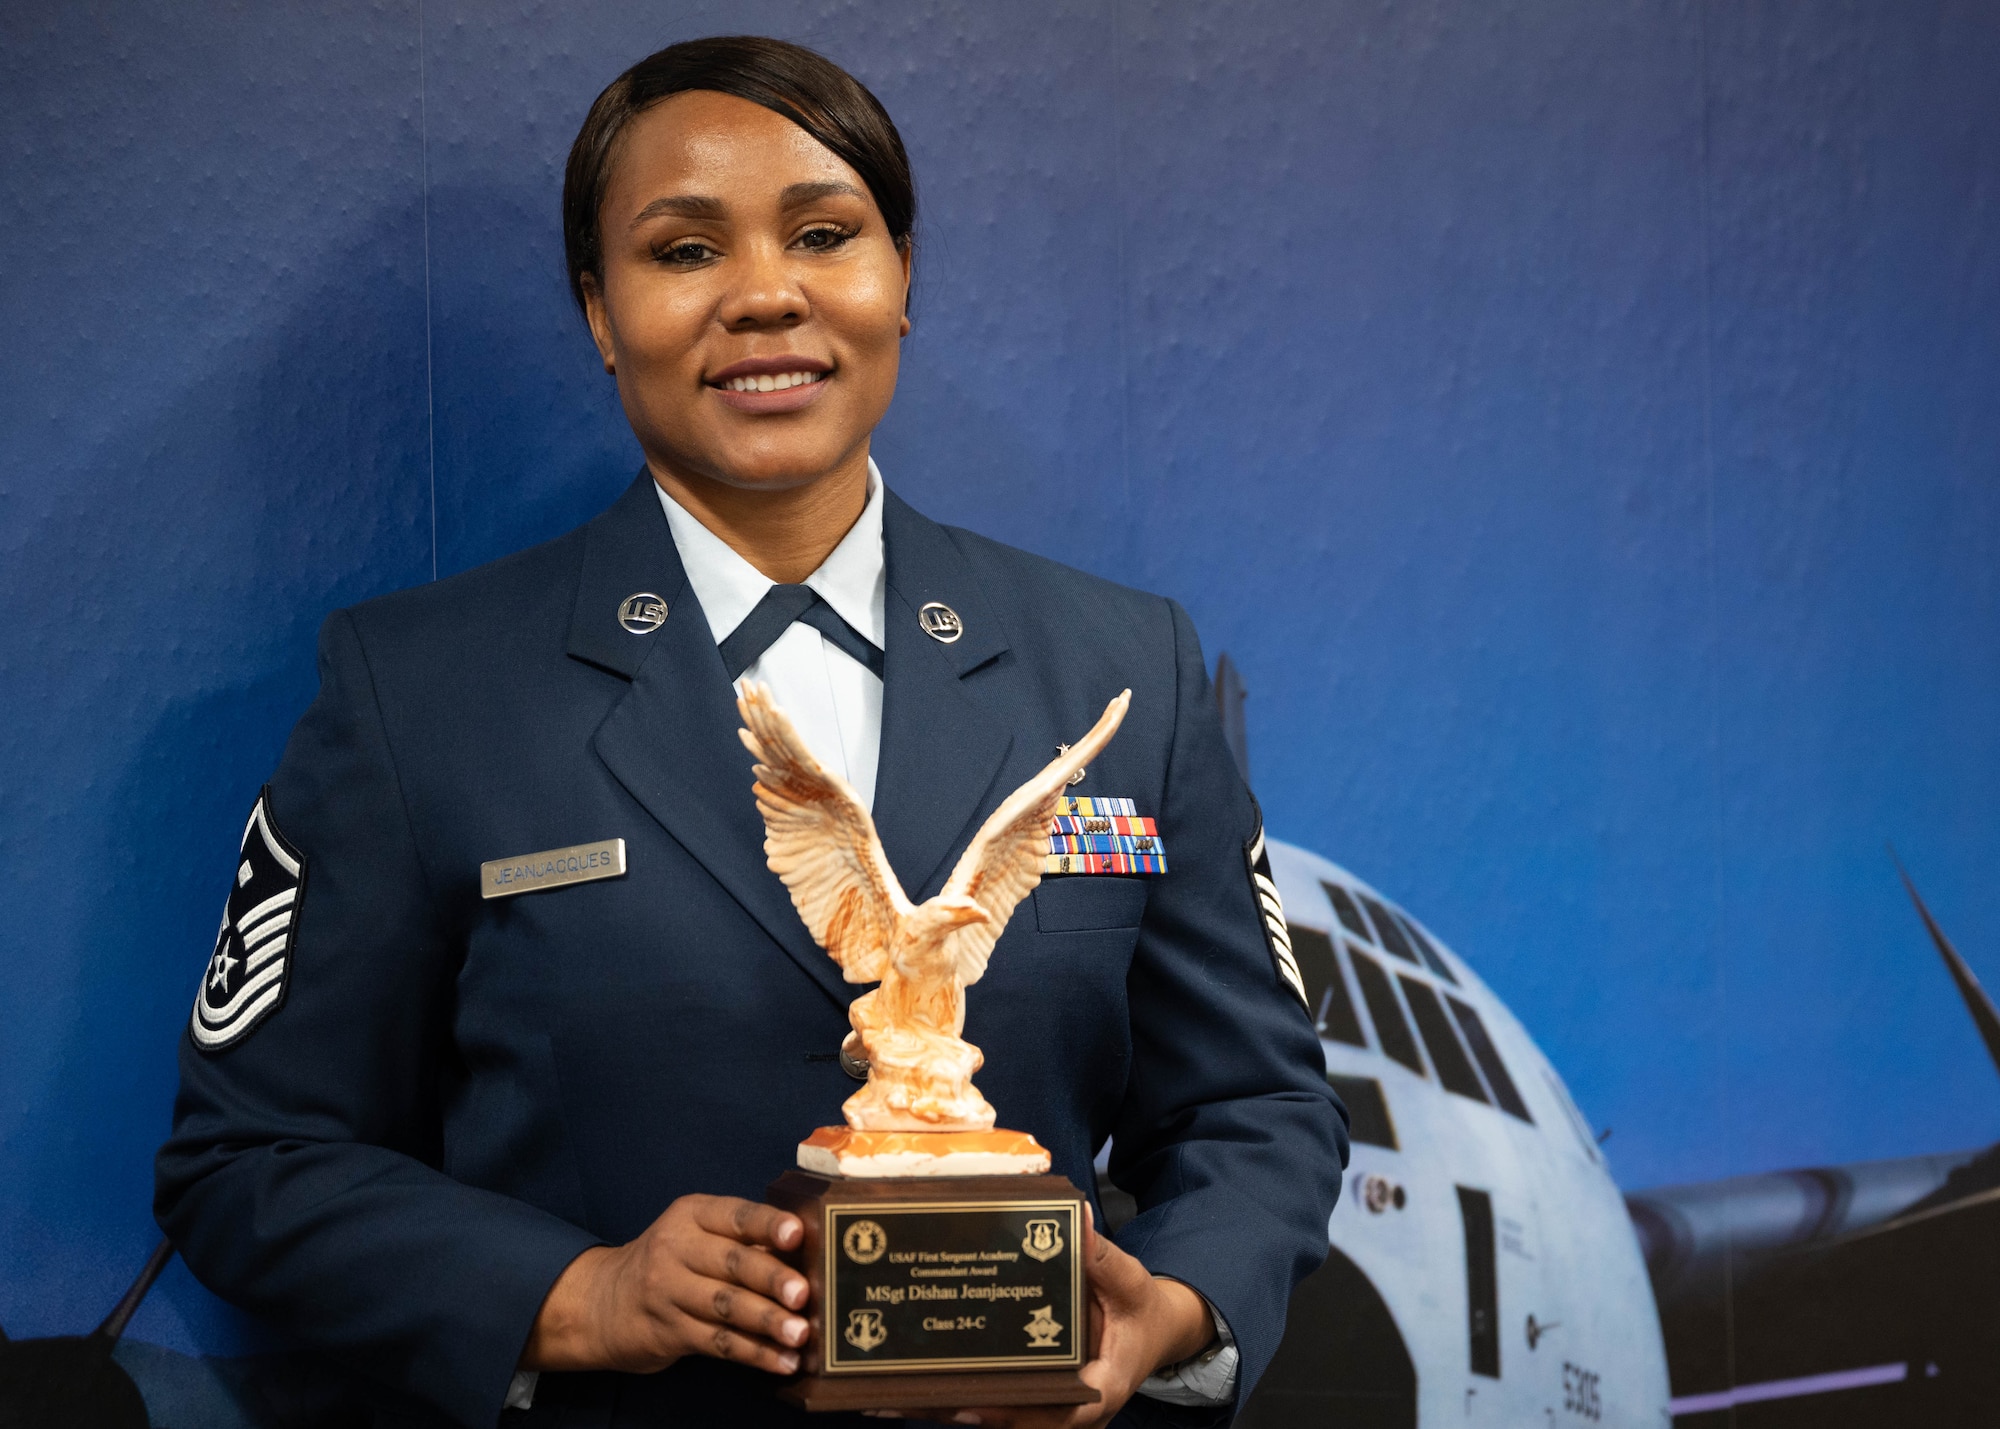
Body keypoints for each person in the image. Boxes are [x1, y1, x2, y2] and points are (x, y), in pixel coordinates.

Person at [156, 35, 1347, 1429]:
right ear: (600, 312)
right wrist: (578, 1293)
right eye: (683, 252)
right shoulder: (417, 692)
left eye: (826, 234)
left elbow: (1259, 1109)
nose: (767, 296)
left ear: (902, 282)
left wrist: (1177, 1304)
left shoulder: (1118, 667)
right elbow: (250, 1158)